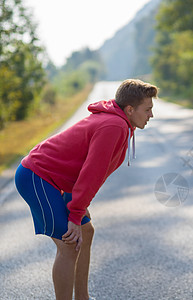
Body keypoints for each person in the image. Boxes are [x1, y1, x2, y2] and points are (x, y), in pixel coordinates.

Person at [14, 79, 158, 300]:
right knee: (69, 244)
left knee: (86, 232)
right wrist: (75, 212)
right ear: (130, 110)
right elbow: (92, 173)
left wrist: (77, 207)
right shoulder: (114, 126)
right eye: (147, 109)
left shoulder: (120, 123)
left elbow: (81, 168)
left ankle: (83, 297)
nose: (151, 115)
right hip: (36, 176)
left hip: (53, 179)